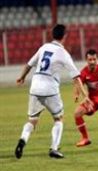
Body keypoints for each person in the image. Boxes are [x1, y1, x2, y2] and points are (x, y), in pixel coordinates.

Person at [15, 24, 91, 159]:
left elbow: (29, 64)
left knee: (32, 120)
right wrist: (85, 96)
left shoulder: (44, 47)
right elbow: (76, 77)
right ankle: (54, 148)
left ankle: (23, 140)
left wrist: (21, 77)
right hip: (50, 89)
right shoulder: (63, 53)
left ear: (52, 35)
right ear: (65, 36)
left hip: (35, 87)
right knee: (58, 118)